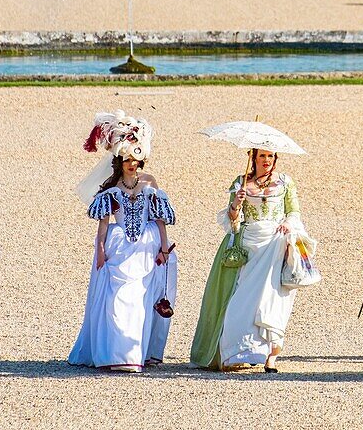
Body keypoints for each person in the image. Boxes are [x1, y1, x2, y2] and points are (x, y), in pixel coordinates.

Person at [69, 111, 178, 373]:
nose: (132, 163)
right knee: (118, 298)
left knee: (141, 298)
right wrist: (100, 252)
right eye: (127, 159)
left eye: (135, 159)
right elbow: (104, 223)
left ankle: (134, 353)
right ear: (120, 160)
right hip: (120, 248)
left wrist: (164, 248)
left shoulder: (150, 182)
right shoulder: (111, 186)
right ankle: (116, 354)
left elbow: (159, 218)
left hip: (146, 248)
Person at [191, 149, 315, 373]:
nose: (267, 161)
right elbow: (233, 221)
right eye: (262, 156)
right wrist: (236, 204)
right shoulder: (240, 182)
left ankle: (271, 356)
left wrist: (288, 223)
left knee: (272, 300)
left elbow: (294, 211)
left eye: (271, 156)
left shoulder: (285, 182)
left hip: (275, 244)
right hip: (249, 245)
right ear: (254, 158)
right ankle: (238, 352)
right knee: (241, 300)